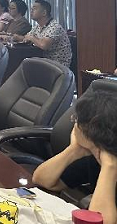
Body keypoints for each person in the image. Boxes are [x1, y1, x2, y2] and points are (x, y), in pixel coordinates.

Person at [33, 87, 117, 224]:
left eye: (76, 121)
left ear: (88, 130)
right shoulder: (93, 157)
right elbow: (42, 179)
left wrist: (110, 166)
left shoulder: (108, 163)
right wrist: (74, 150)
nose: (74, 126)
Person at [20, 0, 72, 67]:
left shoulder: (54, 27)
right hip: (45, 62)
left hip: (58, 65)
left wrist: (32, 38)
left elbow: (44, 45)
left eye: (34, 9)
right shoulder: (38, 27)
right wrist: (19, 38)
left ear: (44, 13)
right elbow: (27, 37)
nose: (31, 11)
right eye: (31, 9)